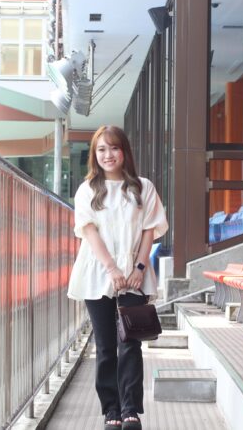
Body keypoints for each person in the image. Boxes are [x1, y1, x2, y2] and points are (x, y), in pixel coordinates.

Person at [68, 125, 169, 430]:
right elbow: (89, 233)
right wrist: (112, 269)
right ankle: (110, 410)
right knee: (105, 345)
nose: (108, 155)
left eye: (114, 148)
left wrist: (139, 268)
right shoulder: (87, 190)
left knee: (131, 343)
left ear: (124, 151)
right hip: (97, 272)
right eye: (101, 149)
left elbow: (149, 230)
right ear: (94, 154)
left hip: (134, 273)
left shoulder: (142, 187)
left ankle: (130, 410)